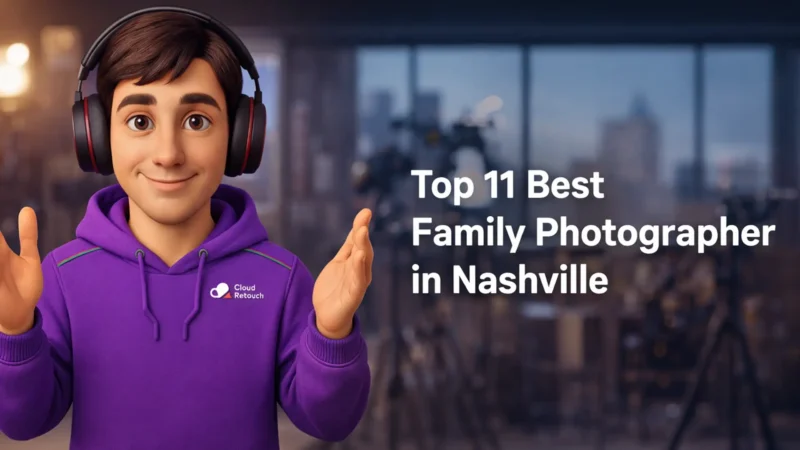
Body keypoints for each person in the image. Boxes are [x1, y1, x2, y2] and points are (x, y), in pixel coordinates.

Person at [0, 9, 372, 450]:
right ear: (97, 136)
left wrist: (332, 333)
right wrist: (15, 331)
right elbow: (23, 422)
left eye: (196, 121)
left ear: (239, 138)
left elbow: (329, 423)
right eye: (140, 121)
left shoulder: (281, 277)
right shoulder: (63, 275)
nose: (168, 154)